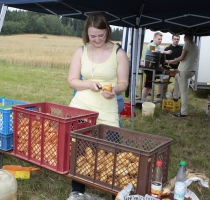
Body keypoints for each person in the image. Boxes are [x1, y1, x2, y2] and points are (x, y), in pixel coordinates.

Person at [67, 13, 129, 199]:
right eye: (92, 36)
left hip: (107, 108)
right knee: (78, 148)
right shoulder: (81, 51)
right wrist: (88, 84)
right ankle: (77, 191)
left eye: (101, 35)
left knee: (112, 152)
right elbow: (72, 81)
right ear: (87, 33)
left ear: (107, 32)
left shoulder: (119, 52)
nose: (97, 39)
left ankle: (114, 193)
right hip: (81, 106)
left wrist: (114, 90)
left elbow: (124, 83)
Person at [167, 34, 199, 117]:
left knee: (184, 92)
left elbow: (182, 58)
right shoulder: (196, 46)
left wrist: (171, 61)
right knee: (177, 76)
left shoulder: (187, 44)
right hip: (192, 70)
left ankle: (183, 112)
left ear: (186, 37)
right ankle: (175, 96)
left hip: (185, 70)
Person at [141, 32, 171, 100]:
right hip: (148, 68)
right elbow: (154, 50)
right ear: (154, 38)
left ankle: (159, 94)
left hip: (153, 68)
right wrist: (166, 52)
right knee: (147, 85)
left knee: (163, 76)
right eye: (159, 39)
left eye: (161, 39)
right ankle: (142, 100)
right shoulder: (151, 44)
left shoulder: (157, 46)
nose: (160, 40)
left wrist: (160, 64)